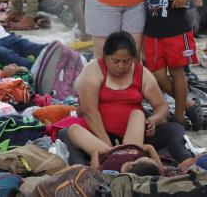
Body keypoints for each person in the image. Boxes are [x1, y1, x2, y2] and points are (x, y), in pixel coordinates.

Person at [64, 31, 194, 169]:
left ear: (134, 58)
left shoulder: (142, 73)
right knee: (67, 133)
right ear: (105, 56)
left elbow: (162, 106)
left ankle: (186, 161)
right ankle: (81, 168)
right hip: (100, 137)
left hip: (136, 138)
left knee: (174, 129)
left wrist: (154, 119)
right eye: (116, 61)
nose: (121, 66)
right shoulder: (93, 69)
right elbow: (89, 111)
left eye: (126, 61)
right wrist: (109, 146)